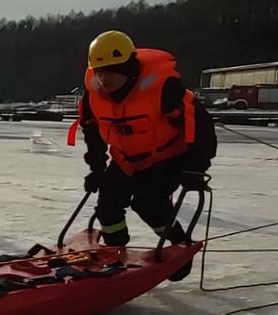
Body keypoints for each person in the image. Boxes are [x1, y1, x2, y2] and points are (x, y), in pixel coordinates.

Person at [67, 30, 216, 273]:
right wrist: (96, 168)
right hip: (126, 159)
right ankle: (115, 253)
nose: (105, 79)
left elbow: (201, 128)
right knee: (107, 206)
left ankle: (178, 244)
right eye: (100, 72)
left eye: (111, 71)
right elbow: (92, 132)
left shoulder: (166, 89)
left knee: (149, 205)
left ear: (127, 70)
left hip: (166, 158)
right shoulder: (93, 98)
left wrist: (196, 169)